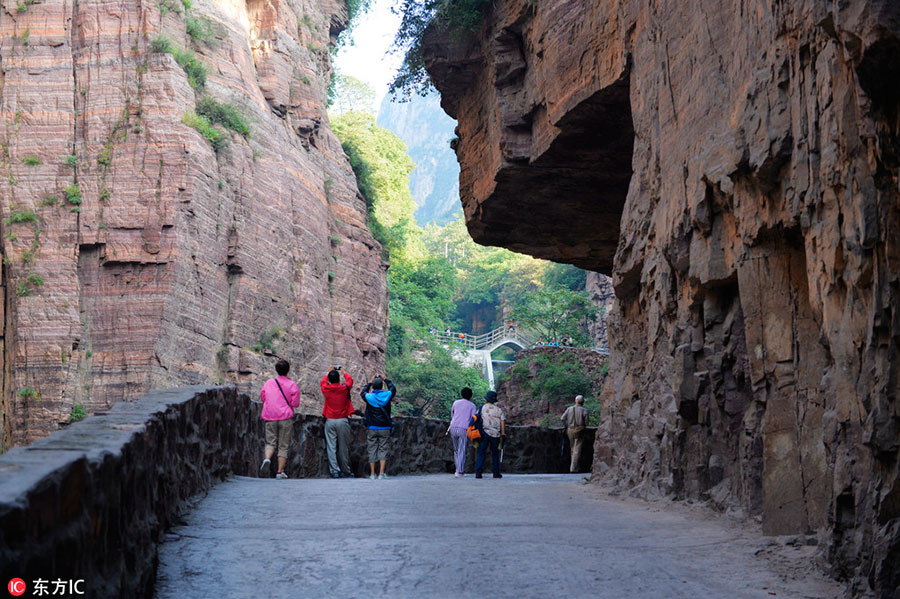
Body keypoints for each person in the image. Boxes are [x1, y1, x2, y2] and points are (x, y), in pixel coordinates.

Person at [259, 359, 300, 479]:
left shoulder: (269, 382)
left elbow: (263, 396)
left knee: (270, 442)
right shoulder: (292, 385)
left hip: (270, 416)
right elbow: (295, 403)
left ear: (276, 370)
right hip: (285, 417)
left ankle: (267, 459)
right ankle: (279, 472)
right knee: (283, 445)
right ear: (288, 370)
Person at [320, 366, 354, 478]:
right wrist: (344, 372)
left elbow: (323, 382)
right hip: (342, 420)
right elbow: (350, 381)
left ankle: (334, 471)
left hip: (330, 420)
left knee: (331, 447)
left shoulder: (326, 389)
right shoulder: (344, 389)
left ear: (330, 379)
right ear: (339, 379)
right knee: (343, 447)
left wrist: (328, 372)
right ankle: (346, 470)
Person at [360, 375, 396, 479]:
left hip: (372, 427)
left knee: (372, 449)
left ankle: (372, 474)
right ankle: (381, 473)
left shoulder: (369, 397)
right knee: (383, 449)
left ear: (373, 387)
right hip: (384, 427)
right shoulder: (387, 395)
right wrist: (386, 379)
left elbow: (362, 393)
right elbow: (393, 389)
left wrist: (369, 383)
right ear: (382, 386)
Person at [447, 387, 477, 478]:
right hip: (463, 429)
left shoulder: (456, 402)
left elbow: (453, 414)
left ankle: (457, 469)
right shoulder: (472, 405)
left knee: (456, 450)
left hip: (453, 427)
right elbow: (473, 419)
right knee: (462, 450)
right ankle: (459, 471)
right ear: (470, 396)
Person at [475, 390, 505, 479]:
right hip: (495, 434)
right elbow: (503, 421)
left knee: (481, 453)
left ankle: (478, 472)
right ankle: (496, 473)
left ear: (486, 400)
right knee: (495, 453)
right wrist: (503, 433)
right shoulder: (499, 410)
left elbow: (476, 417)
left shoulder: (482, 408)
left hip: (484, 433)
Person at [561, 395, 590, 472]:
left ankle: (575, 467)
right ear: (582, 402)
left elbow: (562, 418)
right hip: (579, 430)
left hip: (570, 429)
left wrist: (566, 426)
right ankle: (573, 468)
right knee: (577, 449)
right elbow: (586, 423)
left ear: (575, 401)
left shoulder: (569, 409)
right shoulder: (584, 410)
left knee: (572, 448)